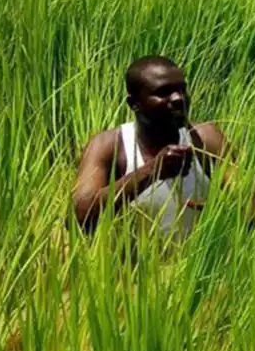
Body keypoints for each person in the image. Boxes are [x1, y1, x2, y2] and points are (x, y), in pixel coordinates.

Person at [73, 56, 241, 239]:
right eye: (163, 93)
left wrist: (223, 211)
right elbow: (78, 217)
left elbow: (252, 207)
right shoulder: (110, 144)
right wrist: (152, 171)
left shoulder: (206, 138)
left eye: (182, 90)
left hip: (202, 263)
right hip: (131, 266)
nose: (178, 99)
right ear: (134, 104)